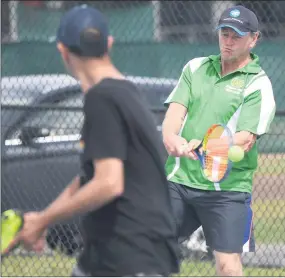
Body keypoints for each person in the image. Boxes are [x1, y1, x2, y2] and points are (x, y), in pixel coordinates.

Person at [4, 5, 179, 277]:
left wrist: (44, 220)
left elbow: (108, 182)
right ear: (109, 44)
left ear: (62, 50)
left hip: (130, 258)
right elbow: (89, 176)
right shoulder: (125, 93)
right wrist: (41, 221)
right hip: (109, 256)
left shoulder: (103, 98)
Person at [162, 5, 276, 276]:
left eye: (236, 35)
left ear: (253, 39)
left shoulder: (259, 84)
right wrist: (171, 139)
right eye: (224, 33)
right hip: (179, 182)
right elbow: (174, 116)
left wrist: (205, 145)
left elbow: (245, 138)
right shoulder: (196, 67)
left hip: (227, 191)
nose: (228, 41)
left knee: (227, 265)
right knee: (147, 247)